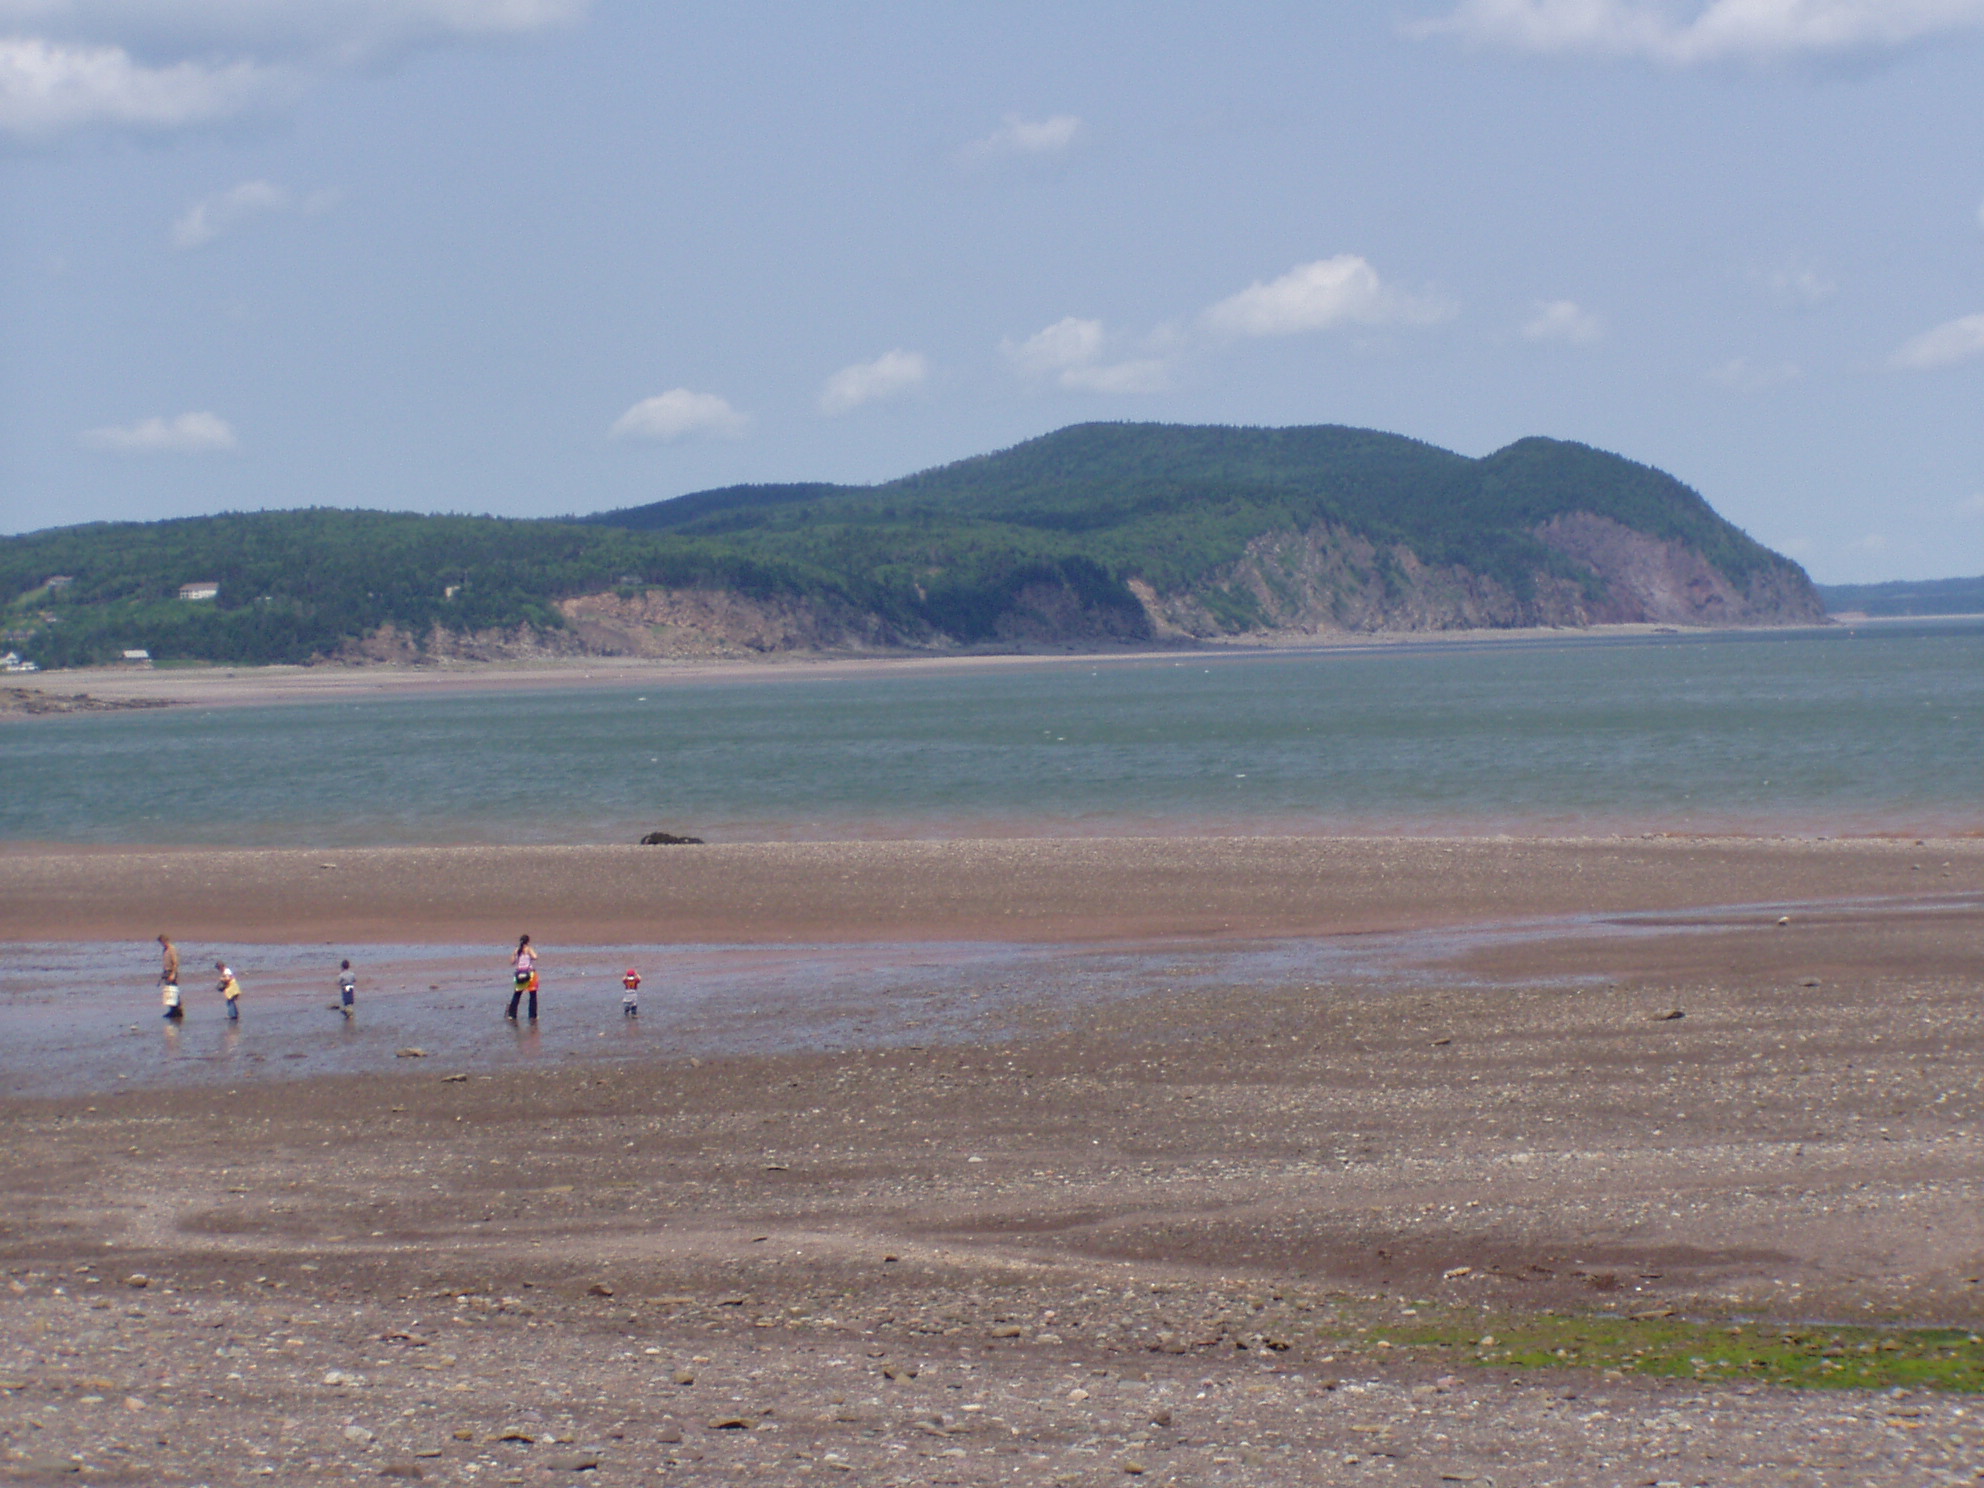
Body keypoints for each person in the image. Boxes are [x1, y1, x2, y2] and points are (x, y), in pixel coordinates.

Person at [506, 935, 538, 1022]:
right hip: (529, 974)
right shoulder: (528, 949)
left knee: (517, 994)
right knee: (533, 995)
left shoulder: (517, 950)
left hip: (519, 974)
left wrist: (514, 954)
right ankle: (532, 1016)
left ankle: (512, 1015)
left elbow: (512, 962)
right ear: (528, 941)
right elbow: (535, 957)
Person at [158, 935, 182, 1020]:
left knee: (173, 992)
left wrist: (173, 974)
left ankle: (177, 1011)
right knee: (169, 992)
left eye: (162, 942)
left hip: (171, 972)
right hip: (167, 972)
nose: (162, 944)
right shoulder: (165, 950)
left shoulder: (172, 949)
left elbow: (175, 963)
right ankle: (173, 1010)